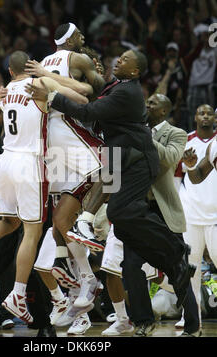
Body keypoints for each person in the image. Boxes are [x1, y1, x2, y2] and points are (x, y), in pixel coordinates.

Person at [26, 49, 195, 310]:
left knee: (125, 209)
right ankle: (173, 261)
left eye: (125, 59)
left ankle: (176, 250)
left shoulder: (128, 91)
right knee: (121, 215)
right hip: (121, 158)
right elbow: (97, 91)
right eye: (120, 57)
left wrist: (51, 96)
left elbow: (89, 111)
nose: (118, 59)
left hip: (138, 158)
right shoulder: (118, 85)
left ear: (136, 71)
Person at [0, 50, 90, 324]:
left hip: (5, 162)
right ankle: (17, 295)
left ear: (10, 71)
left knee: (8, 222)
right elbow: (82, 96)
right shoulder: (39, 83)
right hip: (29, 161)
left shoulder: (6, 90)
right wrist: (47, 77)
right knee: (31, 231)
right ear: (31, 67)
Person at [23, 22, 106, 307]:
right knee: (108, 166)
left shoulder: (43, 62)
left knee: (61, 220)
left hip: (49, 138)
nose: (84, 38)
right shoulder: (78, 58)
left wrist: (47, 78)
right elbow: (94, 91)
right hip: (66, 128)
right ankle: (86, 271)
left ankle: (83, 277)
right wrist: (72, 85)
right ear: (70, 40)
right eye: (80, 35)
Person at [118, 93, 199, 337]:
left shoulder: (177, 133)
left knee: (178, 269)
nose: (147, 105)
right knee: (130, 267)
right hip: (136, 211)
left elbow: (169, 159)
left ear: (163, 111)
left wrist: (143, 137)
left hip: (163, 211)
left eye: (152, 103)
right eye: (146, 101)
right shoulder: (134, 131)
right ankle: (144, 320)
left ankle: (193, 324)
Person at [175, 104, 217, 329]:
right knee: (190, 268)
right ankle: (191, 317)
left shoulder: (215, 143)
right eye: (202, 113)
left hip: (215, 213)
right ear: (195, 117)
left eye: (209, 113)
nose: (206, 116)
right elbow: (189, 177)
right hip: (191, 212)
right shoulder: (185, 140)